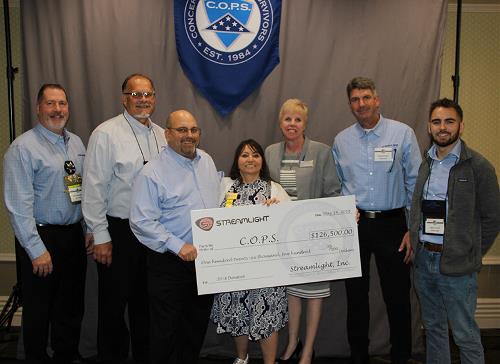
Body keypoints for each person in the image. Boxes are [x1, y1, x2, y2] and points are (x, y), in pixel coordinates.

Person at [332, 77, 421, 364]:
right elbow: (338, 184)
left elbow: (415, 184)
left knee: (397, 296)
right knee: (356, 297)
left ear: (377, 99)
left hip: (393, 224)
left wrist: (411, 228)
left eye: (366, 97)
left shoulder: (403, 133)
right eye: (355, 99)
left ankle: (401, 356)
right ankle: (358, 356)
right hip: (355, 226)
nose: (361, 104)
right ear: (350, 105)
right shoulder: (341, 140)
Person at [3, 84, 93, 364]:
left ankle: (66, 355)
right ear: (38, 108)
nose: (58, 110)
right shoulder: (22, 149)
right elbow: (18, 206)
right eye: (51, 104)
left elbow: (85, 190)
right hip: (41, 238)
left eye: (62, 103)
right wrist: (35, 249)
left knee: (71, 306)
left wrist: (89, 228)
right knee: (39, 310)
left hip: (72, 236)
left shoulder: (77, 142)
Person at [82, 74, 166, 364]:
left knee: (147, 305)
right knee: (113, 308)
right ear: (123, 98)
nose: (143, 100)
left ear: (154, 98)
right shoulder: (106, 134)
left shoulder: (161, 134)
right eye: (136, 94)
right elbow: (93, 188)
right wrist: (101, 235)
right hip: (119, 231)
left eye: (148, 94)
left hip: (153, 232)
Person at [409, 98, 500, 364]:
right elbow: (418, 207)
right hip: (424, 261)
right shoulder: (426, 163)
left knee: (464, 334)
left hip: (459, 266)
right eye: (437, 122)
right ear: (429, 127)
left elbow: (493, 217)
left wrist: (469, 250)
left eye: (449, 121)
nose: (443, 127)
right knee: (434, 330)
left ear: (461, 126)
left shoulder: (479, 167)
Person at [129, 109, 221, 364]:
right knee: (165, 332)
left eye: (193, 130)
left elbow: (217, 202)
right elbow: (141, 221)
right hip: (169, 263)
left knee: (195, 327)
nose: (189, 135)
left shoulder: (208, 162)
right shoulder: (152, 172)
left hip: (205, 262)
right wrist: (178, 245)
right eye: (181, 130)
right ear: (167, 134)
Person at [265, 99, 341, 364]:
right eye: (288, 119)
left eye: (298, 119)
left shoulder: (321, 152)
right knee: (291, 292)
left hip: (314, 236)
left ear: (305, 124)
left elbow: (333, 191)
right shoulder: (270, 152)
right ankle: (292, 344)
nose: (292, 124)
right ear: (280, 122)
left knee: (315, 294)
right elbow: (267, 189)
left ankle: (307, 350)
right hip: (283, 237)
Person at [212, 139, 290, 364]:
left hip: (267, 270)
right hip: (234, 268)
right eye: (245, 155)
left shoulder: (274, 188)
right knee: (238, 313)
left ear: (262, 161)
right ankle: (241, 358)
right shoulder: (225, 187)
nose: (250, 159)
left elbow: (289, 226)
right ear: (237, 161)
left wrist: (277, 212)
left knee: (266, 314)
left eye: (255, 155)